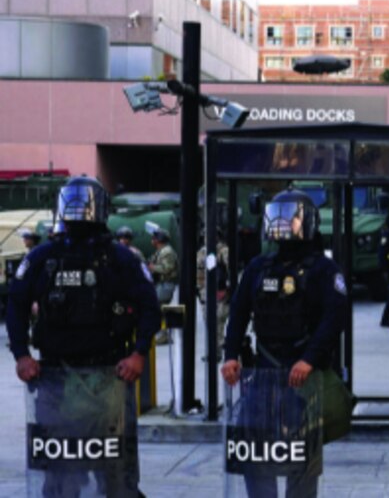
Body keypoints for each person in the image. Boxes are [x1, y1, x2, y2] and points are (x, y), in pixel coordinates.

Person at [5, 176, 160, 497]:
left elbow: (150, 307)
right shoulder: (42, 258)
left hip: (109, 380)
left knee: (116, 473)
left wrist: (139, 353)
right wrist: (21, 354)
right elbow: (15, 304)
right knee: (59, 474)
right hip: (54, 380)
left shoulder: (121, 259)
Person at [221, 189, 348, 498]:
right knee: (254, 452)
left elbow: (335, 317)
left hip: (305, 377)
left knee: (303, 456)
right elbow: (238, 313)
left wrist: (310, 359)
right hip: (263, 374)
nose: (282, 224)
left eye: (289, 216)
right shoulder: (258, 267)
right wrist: (230, 355)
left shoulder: (323, 269)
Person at [197, 231, 231, 354]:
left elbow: (230, 269)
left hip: (219, 290)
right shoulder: (201, 252)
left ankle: (219, 348)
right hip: (204, 292)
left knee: (219, 319)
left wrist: (227, 288)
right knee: (209, 320)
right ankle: (214, 349)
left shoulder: (223, 251)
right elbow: (198, 271)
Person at [148, 229, 177, 345]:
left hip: (165, 284)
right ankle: (162, 333)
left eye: (154, 238)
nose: (152, 240)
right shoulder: (160, 251)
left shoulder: (167, 252)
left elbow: (167, 268)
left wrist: (152, 268)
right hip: (161, 284)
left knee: (160, 309)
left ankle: (164, 334)